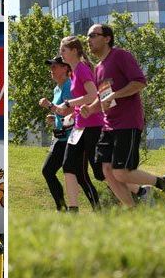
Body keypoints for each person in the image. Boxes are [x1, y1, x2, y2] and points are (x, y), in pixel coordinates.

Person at [81, 24, 165, 206]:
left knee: (121, 172)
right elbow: (104, 99)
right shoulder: (98, 68)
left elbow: (140, 83)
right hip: (108, 125)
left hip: (127, 122)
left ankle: (164, 182)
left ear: (107, 38)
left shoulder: (120, 56)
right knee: (107, 170)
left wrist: (116, 94)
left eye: (93, 35)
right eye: (88, 36)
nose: (88, 39)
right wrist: (90, 108)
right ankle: (133, 211)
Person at [55, 37, 105, 211]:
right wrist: (69, 117)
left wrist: (68, 103)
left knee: (100, 172)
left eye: (63, 50)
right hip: (79, 127)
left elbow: (93, 95)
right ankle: (73, 210)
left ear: (74, 51)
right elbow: (82, 101)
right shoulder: (74, 72)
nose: (60, 53)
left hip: (93, 126)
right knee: (68, 166)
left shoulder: (82, 69)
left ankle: (141, 191)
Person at [38, 56, 73, 211]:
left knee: (77, 174)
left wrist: (50, 105)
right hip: (60, 137)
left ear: (65, 68)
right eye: (51, 67)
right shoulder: (56, 89)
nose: (51, 70)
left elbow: (69, 110)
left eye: (55, 66)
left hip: (72, 137)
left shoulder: (69, 86)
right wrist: (54, 118)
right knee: (48, 170)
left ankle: (97, 207)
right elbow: (61, 113)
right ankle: (62, 208)